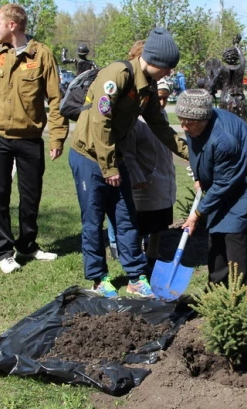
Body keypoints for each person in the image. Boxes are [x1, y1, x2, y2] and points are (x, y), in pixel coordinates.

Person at [68, 28, 188, 298]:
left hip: (115, 157)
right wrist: (109, 167)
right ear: (155, 60)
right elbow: (101, 122)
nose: (169, 74)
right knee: (93, 219)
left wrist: (189, 153)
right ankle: (99, 279)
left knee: (126, 218)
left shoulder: (147, 87)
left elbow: (160, 126)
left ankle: (135, 276)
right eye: (168, 68)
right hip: (89, 156)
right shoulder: (117, 75)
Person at [0, 3, 69, 274]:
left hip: (30, 139)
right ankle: (3, 251)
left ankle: (28, 245)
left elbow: (56, 100)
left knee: (31, 196)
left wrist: (57, 138)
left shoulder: (42, 55)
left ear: (12, 25)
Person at [177, 89, 247, 284]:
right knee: (215, 223)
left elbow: (223, 184)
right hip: (230, 173)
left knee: (235, 226)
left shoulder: (224, 140)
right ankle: (218, 284)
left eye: (189, 123)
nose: (185, 127)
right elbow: (197, 151)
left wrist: (197, 214)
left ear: (205, 119)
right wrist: (200, 177)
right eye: (181, 121)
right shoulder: (193, 123)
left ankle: (240, 289)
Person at [121, 79, 176, 264]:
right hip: (144, 179)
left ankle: (153, 252)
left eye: (165, 99)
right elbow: (127, 153)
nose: (161, 103)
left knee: (160, 220)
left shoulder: (163, 117)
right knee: (141, 222)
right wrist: (137, 176)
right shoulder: (136, 120)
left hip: (163, 177)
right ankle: (135, 257)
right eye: (159, 98)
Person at [207, 34, 247, 123]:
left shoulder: (222, 68)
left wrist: (211, 91)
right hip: (240, 99)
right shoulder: (241, 67)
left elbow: (213, 83)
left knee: (226, 123)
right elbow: (243, 59)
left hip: (226, 99)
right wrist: (237, 45)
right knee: (243, 122)